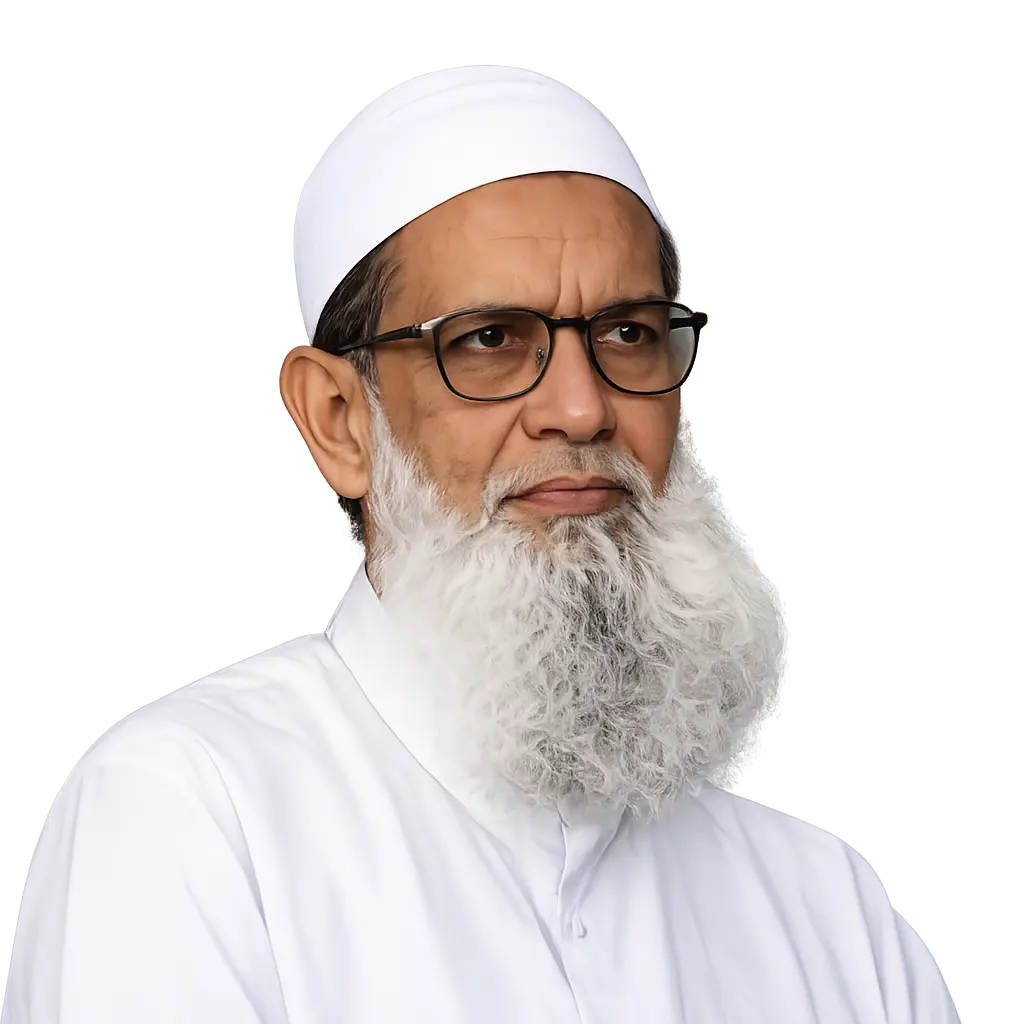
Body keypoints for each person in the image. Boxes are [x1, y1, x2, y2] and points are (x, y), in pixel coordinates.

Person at [1, 65, 959, 1023]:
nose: (582, 408)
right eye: (491, 339)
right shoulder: (193, 819)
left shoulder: (824, 912)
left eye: (627, 333)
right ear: (337, 419)